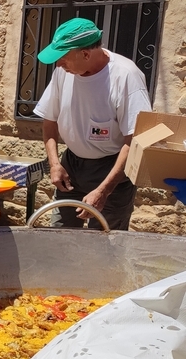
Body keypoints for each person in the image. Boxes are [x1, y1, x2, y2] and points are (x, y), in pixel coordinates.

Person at [34, 18, 150, 231]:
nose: (58, 64)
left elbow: (134, 140)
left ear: (85, 54)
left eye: (63, 58)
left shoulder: (126, 76)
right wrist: (54, 164)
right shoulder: (63, 72)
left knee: (106, 243)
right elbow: (49, 120)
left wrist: (104, 190)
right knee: (60, 236)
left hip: (112, 169)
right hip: (72, 167)